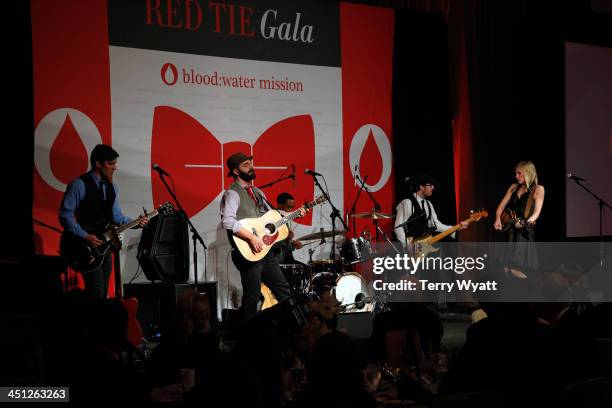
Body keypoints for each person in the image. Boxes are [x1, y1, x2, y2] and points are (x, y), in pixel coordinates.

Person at [220, 152, 305, 320]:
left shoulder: (258, 192)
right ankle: (248, 338)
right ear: (236, 171)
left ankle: (296, 325)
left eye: (251, 164)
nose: (251, 167)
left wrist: (293, 214)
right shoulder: (232, 193)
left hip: (266, 253)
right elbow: (228, 222)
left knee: (283, 289)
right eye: (246, 165)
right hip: (249, 252)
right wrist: (251, 237)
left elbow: (269, 218)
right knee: (253, 296)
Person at [59, 144, 148, 300]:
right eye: (111, 163)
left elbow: (117, 217)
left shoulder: (112, 187)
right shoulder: (79, 184)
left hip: (105, 246)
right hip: (83, 247)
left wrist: (136, 222)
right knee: (97, 292)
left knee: (104, 291)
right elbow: (65, 215)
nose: (115, 168)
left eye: (115, 163)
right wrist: (85, 235)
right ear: (98, 164)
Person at [493, 160, 544, 270]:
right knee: (505, 268)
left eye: (519, 173)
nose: (516, 176)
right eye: (516, 173)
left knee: (521, 268)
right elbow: (501, 207)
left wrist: (525, 223)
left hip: (523, 232)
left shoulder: (538, 189)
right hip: (509, 230)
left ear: (528, 173)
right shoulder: (513, 187)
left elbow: (536, 213)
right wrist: (497, 218)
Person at [394, 173, 467, 247]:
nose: (433, 187)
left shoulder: (428, 204)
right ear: (422, 187)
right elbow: (398, 227)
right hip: (410, 249)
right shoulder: (407, 203)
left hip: (424, 247)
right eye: (430, 185)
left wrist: (456, 228)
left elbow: (436, 225)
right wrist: (408, 245)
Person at [275, 192, 304, 264]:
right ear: (279, 205)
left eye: (292, 207)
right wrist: (286, 238)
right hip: (277, 260)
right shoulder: (274, 220)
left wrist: (292, 244)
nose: (291, 210)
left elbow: (286, 247)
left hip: (286, 257)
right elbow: (273, 245)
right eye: (288, 207)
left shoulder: (286, 220)